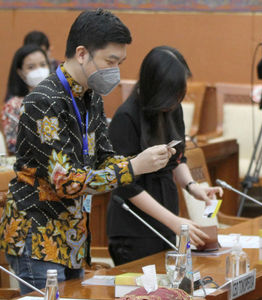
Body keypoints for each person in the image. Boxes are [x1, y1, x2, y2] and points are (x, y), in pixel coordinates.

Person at [0, 9, 176, 294]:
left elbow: (104, 157)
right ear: (82, 54)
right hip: (38, 239)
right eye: (110, 61)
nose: (116, 70)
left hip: (73, 238)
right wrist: (133, 168)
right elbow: (65, 182)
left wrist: (142, 159)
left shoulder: (90, 96)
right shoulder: (43, 101)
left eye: (120, 62)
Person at [106, 46, 222, 266]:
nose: (177, 100)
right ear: (156, 87)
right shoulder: (126, 117)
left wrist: (192, 187)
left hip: (168, 218)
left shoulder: (172, 108)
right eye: (173, 93)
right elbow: (126, 185)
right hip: (134, 228)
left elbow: (178, 158)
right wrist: (174, 221)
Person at [2, 44, 50, 154]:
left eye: (43, 64)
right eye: (31, 67)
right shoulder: (14, 106)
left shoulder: (61, 99)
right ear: (20, 72)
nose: (39, 71)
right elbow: (14, 146)